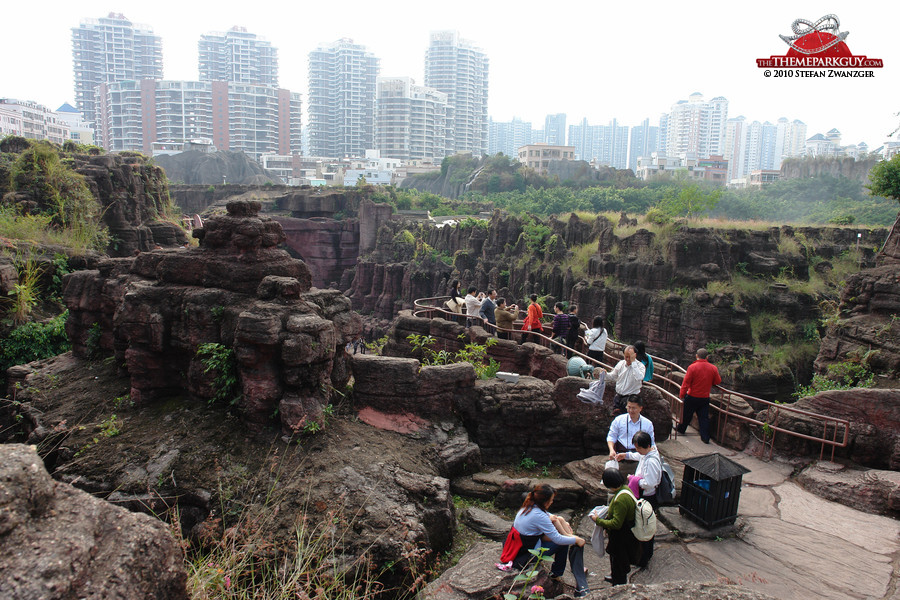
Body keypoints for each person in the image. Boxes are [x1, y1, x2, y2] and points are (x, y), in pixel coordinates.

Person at [512, 483, 589, 597]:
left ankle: (561, 573)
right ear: (545, 501)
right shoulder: (538, 515)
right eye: (551, 500)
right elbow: (557, 539)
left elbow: (550, 516)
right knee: (563, 543)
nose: (552, 502)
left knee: (563, 536)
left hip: (521, 545)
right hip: (527, 554)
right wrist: (575, 540)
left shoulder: (528, 506)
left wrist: (562, 522)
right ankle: (556, 574)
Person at [615, 431, 661, 568]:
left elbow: (650, 482)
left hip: (647, 497)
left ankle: (643, 558)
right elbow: (639, 456)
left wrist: (634, 480)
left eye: (639, 448)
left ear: (647, 446)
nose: (638, 451)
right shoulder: (647, 453)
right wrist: (626, 455)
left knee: (643, 527)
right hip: (644, 495)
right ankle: (644, 553)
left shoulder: (652, 461)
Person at [594, 469, 641, 586]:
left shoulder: (620, 500)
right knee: (618, 560)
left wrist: (598, 521)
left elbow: (616, 523)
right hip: (625, 533)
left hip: (621, 536)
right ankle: (616, 576)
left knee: (619, 559)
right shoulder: (625, 490)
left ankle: (619, 582)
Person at [677, 348, 722, 444]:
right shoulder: (713, 368)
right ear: (707, 357)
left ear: (696, 356)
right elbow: (717, 381)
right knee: (703, 418)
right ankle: (705, 437)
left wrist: (682, 394)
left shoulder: (692, 367)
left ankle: (681, 429)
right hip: (705, 397)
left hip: (692, 396)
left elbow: (686, 383)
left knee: (686, 414)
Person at [607, 345, 645, 414]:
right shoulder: (621, 363)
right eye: (626, 356)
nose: (627, 359)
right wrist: (604, 374)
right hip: (618, 396)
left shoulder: (640, 366)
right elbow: (613, 375)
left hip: (630, 398)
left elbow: (639, 377)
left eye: (629, 357)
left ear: (634, 355)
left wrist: (633, 363)